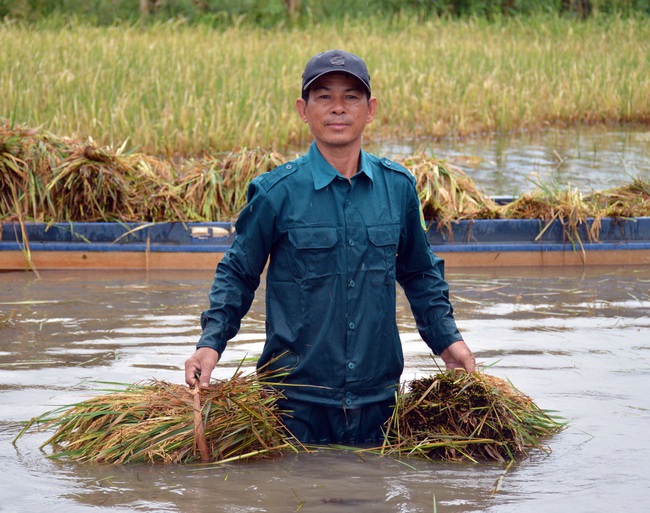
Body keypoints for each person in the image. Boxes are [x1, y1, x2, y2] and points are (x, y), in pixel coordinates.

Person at [185, 49, 476, 445]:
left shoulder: (398, 188)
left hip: (379, 405)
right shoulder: (276, 193)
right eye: (324, 97)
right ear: (303, 110)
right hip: (293, 407)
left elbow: (421, 274)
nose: (338, 108)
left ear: (370, 109)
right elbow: (238, 273)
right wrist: (210, 344)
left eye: (351, 97)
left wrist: (448, 342)